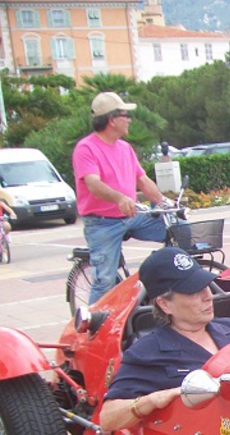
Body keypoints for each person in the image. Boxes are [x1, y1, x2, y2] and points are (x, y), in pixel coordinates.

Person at [99, 247, 230, 432]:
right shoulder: (147, 354)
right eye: (194, 292)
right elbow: (108, 418)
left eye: (206, 286)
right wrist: (152, 400)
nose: (208, 296)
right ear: (165, 304)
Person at [73, 92, 171, 306]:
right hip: (101, 223)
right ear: (111, 119)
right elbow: (93, 183)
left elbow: (142, 180)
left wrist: (164, 202)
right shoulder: (86, 148)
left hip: (132, 216)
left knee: (176, 230)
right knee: (104, 279)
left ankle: (159, 284)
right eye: (125, 115)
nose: (129, 120)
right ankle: (92, 328)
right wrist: (119, 198)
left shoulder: (125, 148)